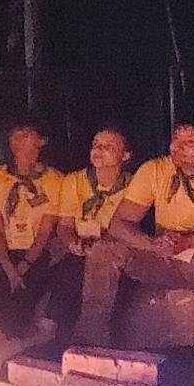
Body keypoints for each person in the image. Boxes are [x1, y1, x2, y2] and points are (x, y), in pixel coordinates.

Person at [74, 122, 194, 346]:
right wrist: (152, 244)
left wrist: (190, 241)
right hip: (168, 256)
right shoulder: (156, 170)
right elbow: (118, 223)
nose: (177, 147)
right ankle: (91, 339)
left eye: (189, 142)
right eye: (176, 139)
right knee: (105, 250)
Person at [0, 123, 63, 337]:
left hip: (33, 252)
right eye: (14, 136)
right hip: (2, 251)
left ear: (41, 141)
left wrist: (24, 266)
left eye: (26, 135)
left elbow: (45, 230)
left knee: (22, 302)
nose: (18, 141)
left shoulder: (55, 180)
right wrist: (9, 267)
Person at [50, 128, 133, 337]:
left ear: (125, 156)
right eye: (96, 144)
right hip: (78, 245)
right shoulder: (74, 181)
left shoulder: (134, 185)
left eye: (108, 146)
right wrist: (73, 243)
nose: (99, 150)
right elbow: (65, 225)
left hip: (111, 249)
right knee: (69, 267)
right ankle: (58, 333)